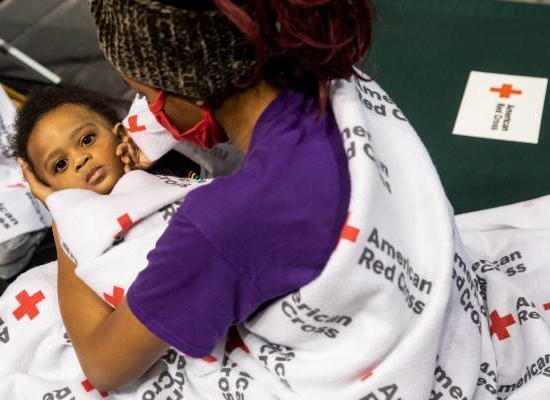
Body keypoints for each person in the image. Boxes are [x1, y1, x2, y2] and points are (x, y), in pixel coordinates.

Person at [19, 0, 373, 391]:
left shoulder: (220, 225)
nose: (146, 119)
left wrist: (66, 216)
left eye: (146, 98)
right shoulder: (334, 80)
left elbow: (104, 369)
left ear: (187, 91)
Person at [13, 85, 200, 195]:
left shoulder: (168, 163)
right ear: (52, 189)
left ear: (120, 134)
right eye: (61, 164)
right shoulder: (82, 233)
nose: (80, 159)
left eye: (87, 140)